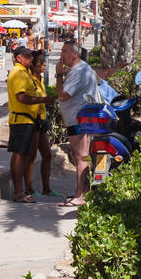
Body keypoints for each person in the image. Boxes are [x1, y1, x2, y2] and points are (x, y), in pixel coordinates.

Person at [55, 39, 104, 206]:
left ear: (74, 54)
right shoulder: (80, 69)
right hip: (79, 119)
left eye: (64, 51)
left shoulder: (79, 71)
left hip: (80, 121)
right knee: (81, 157)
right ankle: (83, 191)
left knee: (81, 157)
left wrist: (59, 74)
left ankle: (79, 196)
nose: (61, 55)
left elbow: (63, 95)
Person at [6, 42, 46, 204]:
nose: (31, 58)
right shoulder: (18, 73)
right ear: (19, 58)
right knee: (19, 155)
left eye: (31, 55)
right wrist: (44, 100)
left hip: (29, 120)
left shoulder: (25, 73)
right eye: (28, 56)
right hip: (20, 120)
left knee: (25, 155)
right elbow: (21, 97)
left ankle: (23, 190)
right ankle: (18, 191)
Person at [27, 47, 57, 198]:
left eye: (45, 62)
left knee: (47, 155)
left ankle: (46, 188)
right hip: (32, 122)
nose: (44, 65)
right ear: (33, 64)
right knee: (31, 156)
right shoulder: (29, 79)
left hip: (41, 122)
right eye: (41, 62)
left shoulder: (40, 80)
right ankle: (29, 189)